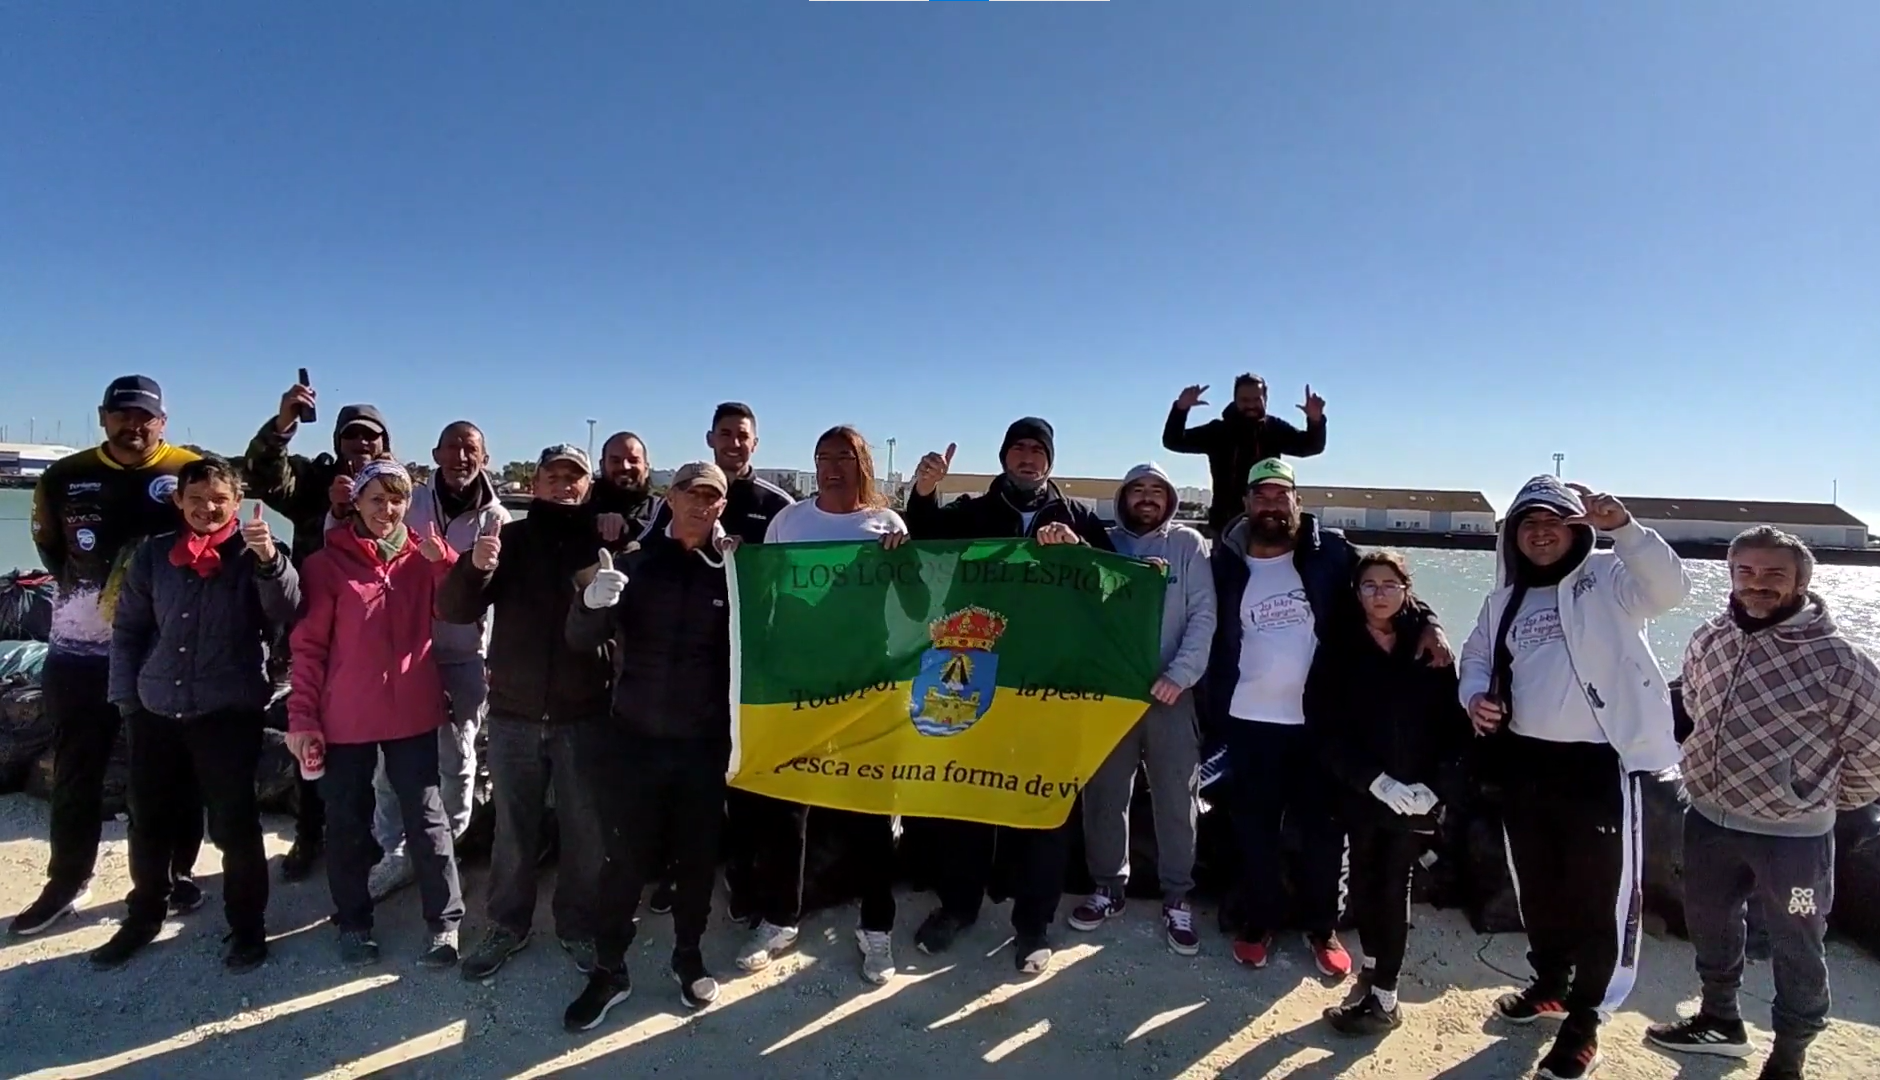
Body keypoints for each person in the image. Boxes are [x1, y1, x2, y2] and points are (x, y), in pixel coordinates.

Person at [1458, 475, 1691, 1080]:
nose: (1540, 533)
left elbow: (1672, 588)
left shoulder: (1611, 579)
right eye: (1528, 524)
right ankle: (1550, 984)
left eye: (1553, 522)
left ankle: (1587, 1017)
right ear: (1513, 536)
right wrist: (1474, 696)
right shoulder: (1503, 600)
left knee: (1601, 895)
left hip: (1599, 765)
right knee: (1536, 883)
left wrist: (1625, 529)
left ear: (1576, 530)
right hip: (1526, 762)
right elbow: (1476, 656)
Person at [1646, 528, 1880, 1080]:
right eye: (1745, 571)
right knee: (1711, 926)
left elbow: (1872, 753)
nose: (1758, 584)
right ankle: (1719, 1021)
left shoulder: (1841, 663)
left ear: (1801, 582)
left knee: (1798, 944)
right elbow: (1694, 705)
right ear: (1730, 574)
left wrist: (1805, 798)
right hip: (1708, 820)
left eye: (1775, 573)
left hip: (1794, 840)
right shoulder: (1710, 638)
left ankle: (1789, 1055)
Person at [1205, 458, 1449, 979]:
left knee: (1323, 832)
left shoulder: (1330, 553)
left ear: (1297, 502)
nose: (1272, 505)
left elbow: (1386, 585)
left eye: (1282, 495)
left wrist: (1430, 621)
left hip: (1320, 724)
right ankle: (1260, 921)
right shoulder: (1224, 561)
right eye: (1261, 495)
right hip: (1248, 720)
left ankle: (1322, 926)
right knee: (1254, 830)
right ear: (1246, 504)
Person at [901, 417, 1112, 976]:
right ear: (1003, 457)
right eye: (1017, 448)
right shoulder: (974, 511)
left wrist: (1079, 552)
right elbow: (924, 535)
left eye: (1037, 450)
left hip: (1048, 683)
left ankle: (1033, 923)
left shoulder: (1077, 517)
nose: (1027, 457)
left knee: (1043, 801)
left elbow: (1116, 585)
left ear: (1049, 461)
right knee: (968, 795)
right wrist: (924, 490)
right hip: (974, 673)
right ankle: (958, 906)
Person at [10, 376, 205, 938]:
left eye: (145, 416)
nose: (133, 425)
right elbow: (50, 547)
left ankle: (176, 872)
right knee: (76, 768)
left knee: (169, 771)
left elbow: (214, 535)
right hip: (80, 651)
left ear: (163, 421)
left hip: (162, 652)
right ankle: (67, 880)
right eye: (122, 414)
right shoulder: (63, 476)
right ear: (102, 417)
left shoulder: (187, 470)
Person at [95, 456, 299, 971]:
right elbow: (129, 631)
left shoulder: (257, 550)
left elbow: (287, 611)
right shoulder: (154, 554)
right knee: (148, 820)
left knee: (234, 824)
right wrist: (126, 700)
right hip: (155, 707)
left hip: (227, 710)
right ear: (179, 501)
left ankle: (248, 927)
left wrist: (269, 560)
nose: (208, 508)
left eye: (219, 500)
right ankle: (144, 914)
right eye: (197, 499)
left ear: (238, 502)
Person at [563, 461, 740, 1028]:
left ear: (722, 506)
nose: (700, 503)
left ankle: (688, 956)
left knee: (696, 860)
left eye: (712, 496)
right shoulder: (634, 564)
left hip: (703, 744)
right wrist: (590, 603)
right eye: (691, 492)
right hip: (635, 739)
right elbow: (580, 639)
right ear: (671, 496)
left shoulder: (732, 573)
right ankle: (609, 969)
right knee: (623, 861)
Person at [440, 445, 614, 981]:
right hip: (514, 713)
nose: (563, 484)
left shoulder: (603, 546)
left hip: (584, 713)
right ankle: (506, 925)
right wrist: (473, 568)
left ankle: (578, 924)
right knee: (513, 829)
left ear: (588, 486)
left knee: (585, 828)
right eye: (552, 476)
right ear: (535, 484)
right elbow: (455, 609)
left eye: (574, 476)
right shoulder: (508, 541)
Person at [285, 458, 465, 968]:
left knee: (427, 819)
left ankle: (445, 922)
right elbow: (308, 648)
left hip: (412, 712)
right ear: (357, 504)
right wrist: (303, 717)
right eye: (377, 499)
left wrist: (445, 561)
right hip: (346, 715)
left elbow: (457, 606)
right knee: (346, 821)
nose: (387, 510)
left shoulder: (422, 558)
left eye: (397, 499)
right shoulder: (324, 565)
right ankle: (354, 921)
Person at [754, 425, 909, 983]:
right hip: (799, 684)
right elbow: (763, 594)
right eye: (823, 457)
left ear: (863, 464)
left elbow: (915, 603)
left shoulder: (887, 524)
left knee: (870, 806)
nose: (832, 467)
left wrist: (901, 560)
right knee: (789, 806)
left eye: (844, 457)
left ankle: (876, 928)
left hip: (866, 686)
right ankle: (780, 918)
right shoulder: (788, 521)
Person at [1304, 550, 1470, 1035]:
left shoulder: (1430, 649)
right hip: (1361, 793)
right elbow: (1323, 728)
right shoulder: (1338, 648)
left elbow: (1455, 728)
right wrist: (1372, 780)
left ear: (1406, 590)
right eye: (1369, 585)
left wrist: (1436, 789)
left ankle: (1385, 999)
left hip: (1415, 797)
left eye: (1389, 585)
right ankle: (1374, 966)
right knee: (1363, 880)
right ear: (1356, 593)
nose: (1379, 594)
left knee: (1394, 886)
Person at [244, 381, 395, 883]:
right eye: (351, 436)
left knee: (377, 748)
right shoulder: (313, 481)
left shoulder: (396, 489)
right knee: (310, 735)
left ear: (385, 443)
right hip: (315, 637)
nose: (361, 444)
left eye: (371, 437)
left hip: (375, 641)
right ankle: (309, 835)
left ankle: (372, 836)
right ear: (336, 440)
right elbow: (263, 475)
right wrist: (285, 420)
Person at [1069, 463, 1216, 956]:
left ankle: (1177, 896)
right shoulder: (1102, 543)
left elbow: (1203, 615)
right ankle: (1107, 887)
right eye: (1138, 489)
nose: (1148, 498)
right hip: (1111, 696)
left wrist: (1180, 675)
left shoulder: (1188, 546)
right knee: (1105, 795)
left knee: (1177, 797)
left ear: (1169, 499)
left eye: (1157, 490)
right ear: (1124, 497)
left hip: (1170, 693)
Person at [365, 421, 510, 901]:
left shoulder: (497, 518)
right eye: (451, 448)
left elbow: (499, 594)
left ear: (484, 459)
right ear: (435, 454)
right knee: (389, 761)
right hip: (404, 652)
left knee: (459, 759)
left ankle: (447, 846)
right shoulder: (408, 502)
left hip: (465, 655)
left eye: (470, 449)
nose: (460, 457)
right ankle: (392, 851)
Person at [1161, 375, 1327, 532]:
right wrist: (1180, 409)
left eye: (1256, 399)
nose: (1251, 405)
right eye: (1245, 400)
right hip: (1225, 524)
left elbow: (1311, 446)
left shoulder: (1274, 429)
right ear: (1235, 400)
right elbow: (1173, 441)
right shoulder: (1218, 432)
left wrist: (1316, 421)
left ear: (1265, 399)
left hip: (1267, 521)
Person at [644, 401, 794, 545]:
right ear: (710, 439)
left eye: (743, 437)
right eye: (725, 434)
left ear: (754, 444)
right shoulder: (680, 495)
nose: (734, 443)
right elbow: (645, 548)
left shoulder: (779, 505)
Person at [592, 430, 659, 546]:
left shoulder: (662, 511)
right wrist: (594, 522)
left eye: (633, 461)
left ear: (646, 468)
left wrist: (630, 528)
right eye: (615, 461)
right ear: (602, 465)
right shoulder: (583, 507)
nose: (625, 467)